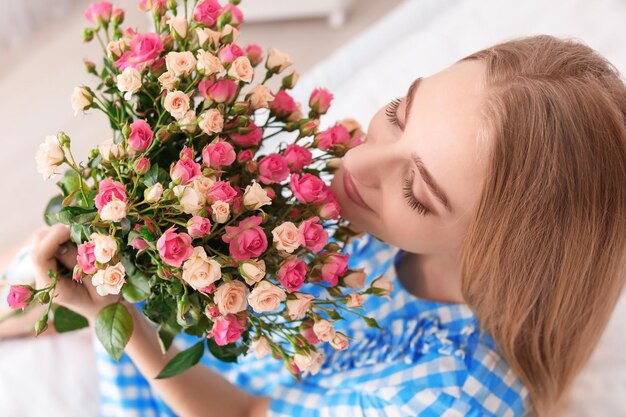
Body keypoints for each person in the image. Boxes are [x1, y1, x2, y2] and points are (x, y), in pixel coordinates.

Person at [28, 34, 626, 417]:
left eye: (417, 192)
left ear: (503, 252)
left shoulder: (444, 399)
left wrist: (121, 323)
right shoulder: (376, 212)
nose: (358, 162)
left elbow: (242, 415)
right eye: (398, 114)